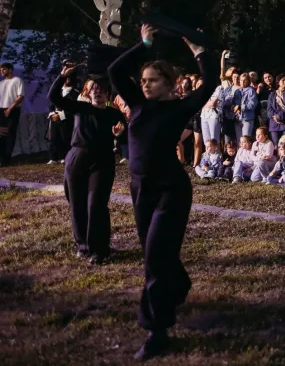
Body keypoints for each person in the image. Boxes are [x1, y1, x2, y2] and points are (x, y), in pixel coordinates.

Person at [107, 24, 217, 359]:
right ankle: (179, 282)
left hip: (171, 190)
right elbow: (114, 70)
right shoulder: (137, 104)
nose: (145, 84)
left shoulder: (179, 107)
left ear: (169, 84)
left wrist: (199, 52)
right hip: (140, 189)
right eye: (143, 80)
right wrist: (143, 44)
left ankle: (157, 329)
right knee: (157, 253)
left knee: (155, 256)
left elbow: (209, 82)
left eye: (152, 79)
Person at [48, 67, 126, 264]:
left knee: (96, 204)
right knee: (76, 204)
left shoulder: (114, 115)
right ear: (87, 92)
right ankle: (83, 247)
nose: (97, 90)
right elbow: (54, 97)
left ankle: (100, 249)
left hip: (102, 160)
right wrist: (62, 76)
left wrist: (119, 135)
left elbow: (125, 138)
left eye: (101, 88)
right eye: (93, 88)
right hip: (77, 157)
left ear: (108, 94)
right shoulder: (80, 108)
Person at [47, 72, 77, 164]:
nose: (67, 80)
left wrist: (63, 115)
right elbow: (51, 104)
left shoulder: (74, 93)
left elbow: (74, 107)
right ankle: (53, 157)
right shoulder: (57, 91)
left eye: (69, 78)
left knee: (65, 137)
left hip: (67, 118)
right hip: (55, 117)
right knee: (54, 136)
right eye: (66, 78)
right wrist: (52, 114)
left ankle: (64, 156)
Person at [0, 62, 25, 166]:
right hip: (1, 110)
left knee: (10, 133)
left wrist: (10, 108)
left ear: (10, 69)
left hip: (13, 109)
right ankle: (1, 159)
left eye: (4, 69)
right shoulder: (1, 83)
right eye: (1, 70)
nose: (2, 71)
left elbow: (20, 96)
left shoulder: (17, 80)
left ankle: (6, 160)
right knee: (1, 134)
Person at [267, 74, 285, 144]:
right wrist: (274, 117)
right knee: (275, 143)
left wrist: (279, 116)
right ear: (278, 82)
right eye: (283, 80)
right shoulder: (272, 94)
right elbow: (269, 109)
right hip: (274, 123)